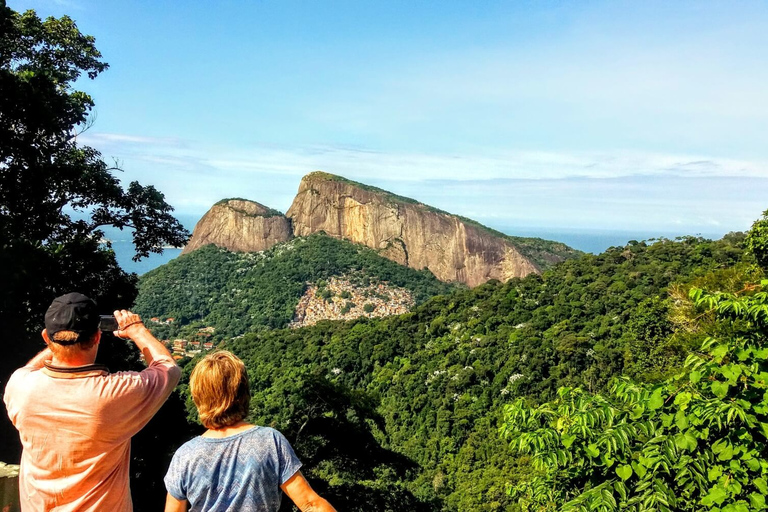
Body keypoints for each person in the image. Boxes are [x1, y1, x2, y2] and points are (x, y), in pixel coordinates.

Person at [3, 292, 181, 511]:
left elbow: (29, 368)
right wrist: (137, 330)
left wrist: (59, 341)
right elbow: (168, 369)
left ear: (46, 337)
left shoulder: (20, 386)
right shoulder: (115, 393)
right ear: (97, 337)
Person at [164, 351, 336, 512]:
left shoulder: (185, 455)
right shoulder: (269, 441)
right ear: (242, 392)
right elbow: (310, 504)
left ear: (198, 396)